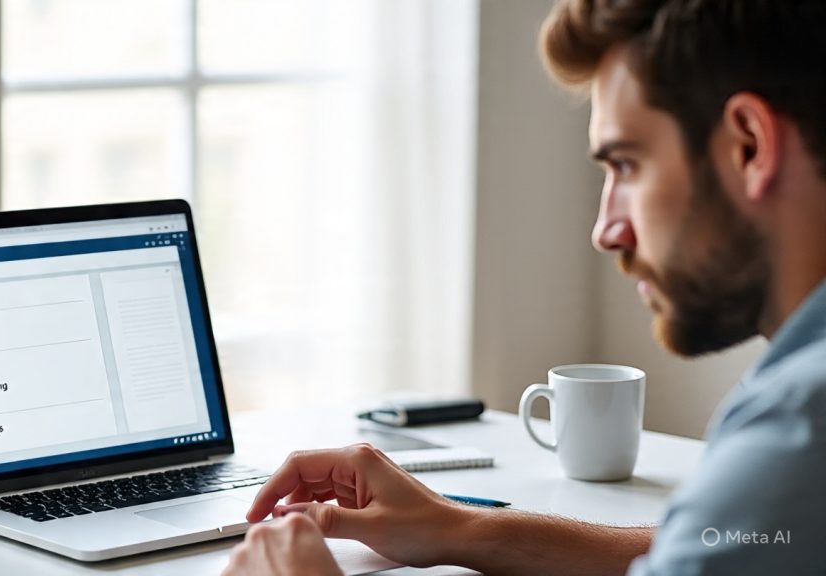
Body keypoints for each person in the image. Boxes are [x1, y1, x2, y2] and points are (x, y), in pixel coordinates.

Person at [222, 0, 826, 574]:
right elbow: (743, 546)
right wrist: (456, 527)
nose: (606, 231)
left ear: (749, 145)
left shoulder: (799, 428)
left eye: (627, 165)